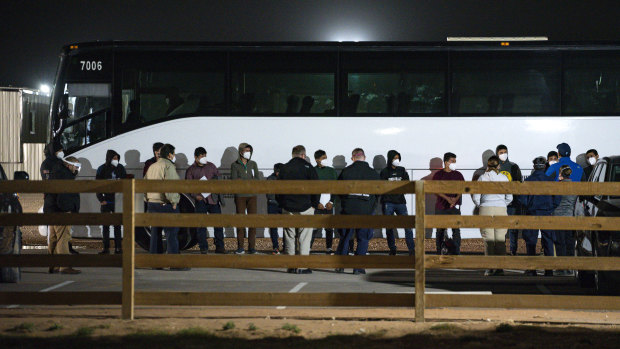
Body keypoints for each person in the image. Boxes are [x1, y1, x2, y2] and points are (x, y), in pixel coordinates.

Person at [335, 148, 380, 275]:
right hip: (366, 209)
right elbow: (378, 193)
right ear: (364, 157)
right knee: (363, 238)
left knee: (345, 236)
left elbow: (338, 191)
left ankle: (341, 265)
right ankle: (358, 267)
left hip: (348, 209)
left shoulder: (346, 171)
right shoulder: (373, 173)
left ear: (352, 158)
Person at [277, 145, 319, 274]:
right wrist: (314, 204)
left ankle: (291, 266)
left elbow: (277, 189)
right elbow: (316, 188)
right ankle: (302, 266)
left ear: (292, 154)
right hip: (305, 206)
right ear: (303, 155)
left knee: (289, 236)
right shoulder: (309, 168)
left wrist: (282, 204)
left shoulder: (284, 168)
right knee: (304, 237)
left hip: (288, 206)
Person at [145, 144, 188, 270]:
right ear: (170, 154)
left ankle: (155, 263)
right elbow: (171, 186)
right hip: (165, 204)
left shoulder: (152, 166)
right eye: (173, 154)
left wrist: (147, 199)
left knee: (155, 233)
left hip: (152, 203)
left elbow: (144, 183)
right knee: (171, 233)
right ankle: (174, 263)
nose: (174, 156)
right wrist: (174, 201)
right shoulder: (168, 166)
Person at [472, 155, 513, 276]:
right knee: (500, 239)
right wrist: (501, 203)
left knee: (488, 239)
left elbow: (476, 197)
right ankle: (500, 268)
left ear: (487, 166)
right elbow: (509, 197)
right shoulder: (504, 178)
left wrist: (482, 205)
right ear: (499, 166)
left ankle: (490, 268)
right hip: (501, 209)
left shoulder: (482, 178)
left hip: (486, 209)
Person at [519, 156, 559, 276]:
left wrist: (529, 206)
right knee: (548, 240)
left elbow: (522, 199)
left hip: (533, 213)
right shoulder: (550, 181)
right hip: (547, 213)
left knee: (531, 241)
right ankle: (549, 269)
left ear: (534, 167)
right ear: (545, 166)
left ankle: (532, 269)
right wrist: (551, 207)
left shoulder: (528, 181)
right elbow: (557, 198)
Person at [185, 147, 226, 254]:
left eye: (205, 156)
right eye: (201, 156)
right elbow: (188, 186)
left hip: (213, 199)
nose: (204, 158)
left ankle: (220, 246)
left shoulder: (211, 166)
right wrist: (195, 195)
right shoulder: (191, 170)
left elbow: (219, 178)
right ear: (195, 157)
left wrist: (216, 181)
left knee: (218, 224)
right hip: (200, 200)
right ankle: (203, 247)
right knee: (201, 225)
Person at [45, 156, 82, 274]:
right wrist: (67, 210)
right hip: (61, 211)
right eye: (76, 166)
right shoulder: (65, 175)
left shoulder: (55, 172)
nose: (76, 169)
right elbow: (64, 196)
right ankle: (65, 266)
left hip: (51, 210)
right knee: (63, 238)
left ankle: (54, 265)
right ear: (69, 165)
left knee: (54, 238)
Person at [380, 150, 415, 255]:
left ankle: (412, 249)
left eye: (398, 158)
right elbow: (381, 186)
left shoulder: (402, 170)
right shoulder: (384, 172)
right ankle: (392, 249)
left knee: (407, 226)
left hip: (400, 202)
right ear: (390, 159)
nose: (397, 160)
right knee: (389, 227)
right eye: (395, 158)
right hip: (388, 202)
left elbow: (407, 183)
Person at [432, 152, 464, 255]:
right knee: (440, 230)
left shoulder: (458, 175)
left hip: (454, 207)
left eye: (455, 161)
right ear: (446, 162)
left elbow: (462, 188)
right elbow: (435, 189)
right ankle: (439, 252)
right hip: (441, 207)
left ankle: (456, 252)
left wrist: (455, 199)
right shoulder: (438, 175)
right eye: (452, 161)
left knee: (456, 230)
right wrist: (447, 199)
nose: (454, 163)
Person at [95, 150, 127, 255]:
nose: (116, 160)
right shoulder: (102, 169)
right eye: (114, 158)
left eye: (117, 158)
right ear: (109, 158)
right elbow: (97, 186)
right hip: (106, 201)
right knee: (105, 226)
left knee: (117, 226)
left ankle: (118, 248)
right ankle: (106, 248)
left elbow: (125, 183)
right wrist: (101, 199)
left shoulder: (121, 168)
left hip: (117, 201)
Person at [231, 143, 260, 254]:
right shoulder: (235, 165)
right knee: (241, 221)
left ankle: (252, 248)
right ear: (240, 151)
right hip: (240, 196)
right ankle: (240, 247)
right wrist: (248, 182)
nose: (248, 152)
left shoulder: (253, 164)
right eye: (246, 150)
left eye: (250, 150)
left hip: (252, 196)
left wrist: (243, 181)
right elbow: (234, 180)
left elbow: (257, 179)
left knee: (252, 222)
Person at [495, 145, 524, 256]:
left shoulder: (514, 166)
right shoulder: (495, 168)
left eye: (505, 152)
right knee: (499, 228)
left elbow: (519, 183)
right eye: (501, 152)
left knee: (513, 229)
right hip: (499, 203)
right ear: (497, 154)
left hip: (512, 203)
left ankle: (513, 250)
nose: (503, 154)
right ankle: (500, 250)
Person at [310, 150, 338, 254]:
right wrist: (316, 203)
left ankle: (329, 248)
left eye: (326, 157)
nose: (325, 160)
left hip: (328, 203)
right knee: (314, 227)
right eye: (323, 158)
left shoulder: (331, 171)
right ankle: (308, 248)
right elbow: (311, 189)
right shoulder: (312, 171)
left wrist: (332, 202)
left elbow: (336, 187)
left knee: (329, 227)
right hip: (317, 204)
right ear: (317, 159)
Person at [553, 165, 578, 276]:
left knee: (560, 243)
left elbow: (553, 201)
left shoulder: (557, 187)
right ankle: (570, 268)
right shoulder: (575, 187)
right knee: (570, 243)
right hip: (570, 217)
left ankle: (561, 268)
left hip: (558, 217)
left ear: (561, 174)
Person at [266, 163, 284, 254]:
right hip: (272, 204)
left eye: (279, 172)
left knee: (287, 227)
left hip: (283, 205)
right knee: (273, 227)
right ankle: (275, 247)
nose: (277, 174)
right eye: (276, 172)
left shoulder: (286, 178)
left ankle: (286, 246)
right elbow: (269, 195)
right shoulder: (270, 179)